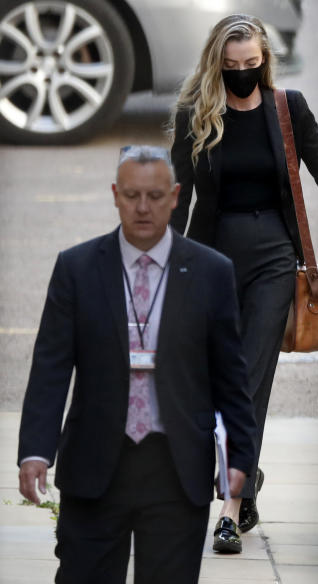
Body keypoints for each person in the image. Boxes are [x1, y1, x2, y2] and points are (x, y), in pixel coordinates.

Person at [170, 14, 318, 553]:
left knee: (249, 379)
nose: (242, 74)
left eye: (251, 64)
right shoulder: (195, 114)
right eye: (231, 67)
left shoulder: (287, 110)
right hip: (212, 258)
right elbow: (178, 194)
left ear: (265, 59)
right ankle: (245, 484)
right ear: (215, 65)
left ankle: (227, 505)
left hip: (273, 257)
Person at [17, 146, 257, 583]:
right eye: (131, 195)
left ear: (175, 196)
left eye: (154, 195)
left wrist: (239, 455)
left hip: (176, 466)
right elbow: (51, 365)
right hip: (95, 465)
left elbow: (230, 374)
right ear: (115, 194)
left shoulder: (211, 272)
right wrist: (35, 450)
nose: (142, 207)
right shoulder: (77, 268)